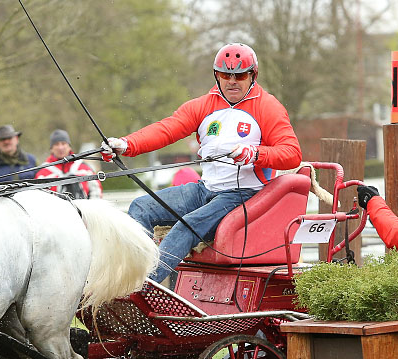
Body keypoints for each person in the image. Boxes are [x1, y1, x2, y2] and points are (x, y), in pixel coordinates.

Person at [101, 43, 302, 282]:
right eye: (225, 75)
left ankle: (145, 287)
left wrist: (255, 154)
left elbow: (292, 153)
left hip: (242, 195)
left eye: (240, 75)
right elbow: (167, 129)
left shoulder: (268, 107)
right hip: (204, 189)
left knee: (188, 225)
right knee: (140, 207)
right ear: (216, 75)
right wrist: (126, 144)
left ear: (253, 75)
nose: (232, 81)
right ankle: (131, 275)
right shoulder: (205, 105)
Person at [33, 129, 102, 199]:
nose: (60, 147)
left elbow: (96, 192)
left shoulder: (83, 167)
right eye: (56, 144)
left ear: (69, 146)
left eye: (63, 143)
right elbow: (39, 197)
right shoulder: (43, 172)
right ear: (51, 149)